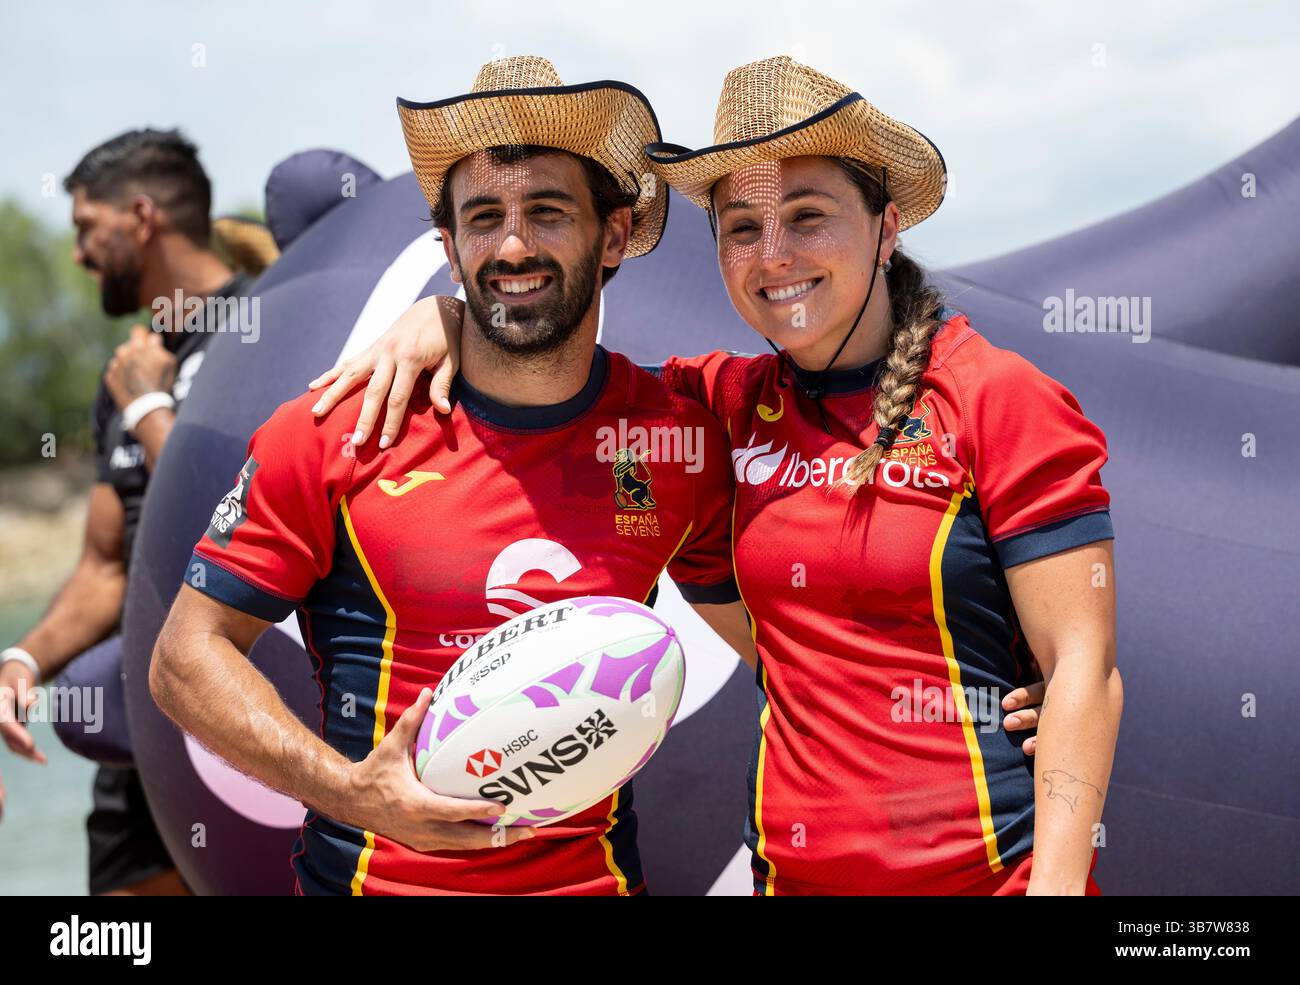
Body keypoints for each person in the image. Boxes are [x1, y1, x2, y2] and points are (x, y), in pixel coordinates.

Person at [309, 56, 1117, 895]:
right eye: (741, 228)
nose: (774, 257)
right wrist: (446, 314)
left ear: (886, 225)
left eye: (808, 217)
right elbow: (559, 371)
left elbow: (1085, 670)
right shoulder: (716, 408)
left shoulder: (997, 396)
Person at [149, 56, 755, 896]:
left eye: (547, 210)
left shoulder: (666, 438)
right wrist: (346, 790)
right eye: (483, 217)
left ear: (614, 233)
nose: (511, 244)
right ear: (449, 244)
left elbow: (792, 646)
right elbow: (185, 656)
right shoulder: (340, 430)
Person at [0, 128, 256, 895]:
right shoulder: (127, 362)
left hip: (250, 718)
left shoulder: (265, 329)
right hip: (141, 735)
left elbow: (256, 516)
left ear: (140, 216)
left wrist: (150, 406)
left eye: (86, 226)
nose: (77, 253)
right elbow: (106, 563)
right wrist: (20, 662)